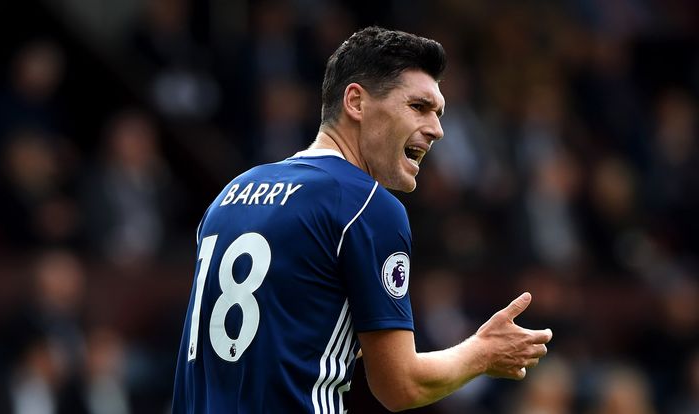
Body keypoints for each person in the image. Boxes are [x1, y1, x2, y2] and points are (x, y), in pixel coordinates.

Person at [172, 26, 552, 413]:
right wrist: (482, 353)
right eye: (419, 106)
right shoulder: (367, 206)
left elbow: (274, 342)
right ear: (356, 102)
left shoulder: (233, 192)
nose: (437, 130)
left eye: (439, 113)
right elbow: (400, 385)